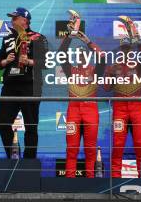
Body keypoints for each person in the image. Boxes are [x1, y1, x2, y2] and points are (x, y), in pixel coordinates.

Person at [0, 7, 48, 158]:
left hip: (30, 85)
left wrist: (30, 61)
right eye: (12, 18)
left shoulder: (38, 37)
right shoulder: (7, 38)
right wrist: (7, 60)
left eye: (14, 18)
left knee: (31, 126)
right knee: (4, 123)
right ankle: (13, 155)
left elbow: (45, 62)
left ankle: (29, 161)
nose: (11, 21)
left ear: (24, 20)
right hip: (10, 86)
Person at [103, 18, 141, 178]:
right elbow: (106, 88)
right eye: (123, 49)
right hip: (120, 108)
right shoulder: (113, 66)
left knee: (140, 143)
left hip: (137, 108)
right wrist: (111, 74)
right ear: (119, 50)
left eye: (128, 48)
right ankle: (115, 177)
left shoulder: (138, 65)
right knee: (117, 144)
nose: (125, 51)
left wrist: (139, 42)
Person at [58, 27, 105, 178]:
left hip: (91, 110)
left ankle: (90, 179)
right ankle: (69, 180)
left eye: (82, 54)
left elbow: (103, 57)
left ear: (87, 56)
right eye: (77, 55)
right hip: (73, 110)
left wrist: (88, 42)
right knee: (71, 148)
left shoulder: (94, 70)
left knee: (90, 148)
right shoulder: (70, 70)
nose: (80, 57)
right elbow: (60, 54)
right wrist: (70, 36)